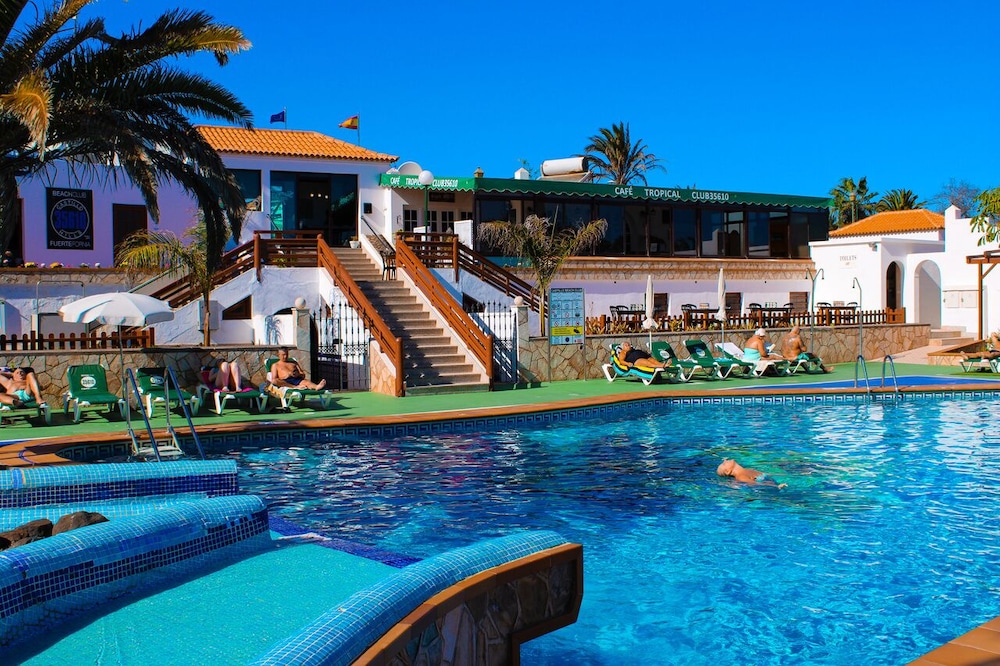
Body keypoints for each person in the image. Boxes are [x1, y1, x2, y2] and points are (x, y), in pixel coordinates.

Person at [716, 458, 787, 489]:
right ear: (728, 471)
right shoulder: (740, 477)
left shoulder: (747, 470)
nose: (724, 461)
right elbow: (754, 483)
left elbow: (765, 474)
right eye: (724, 464)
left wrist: (783, 475)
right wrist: (776, 486)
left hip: (766, 478)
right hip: (765, 481)